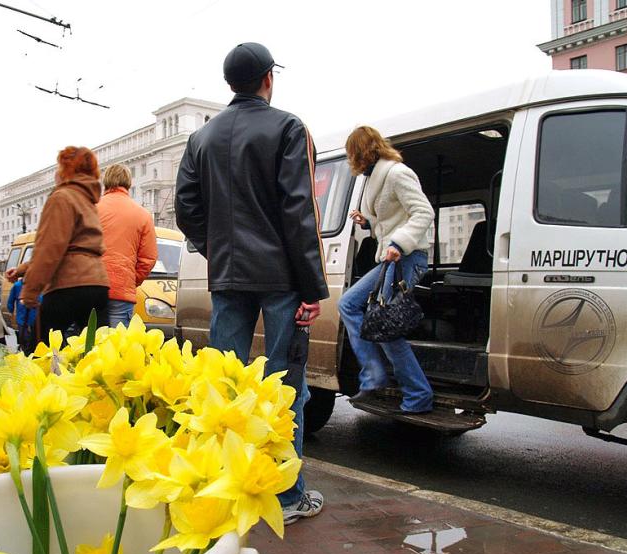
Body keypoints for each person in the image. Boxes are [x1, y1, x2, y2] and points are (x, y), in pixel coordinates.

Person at [175, 42, 329, 525]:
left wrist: (218, 247)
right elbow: (298, 211)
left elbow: (186, 209)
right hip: (282, 277)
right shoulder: (287, 127)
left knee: (223, 389)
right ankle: (286, 495)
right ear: (268, 78)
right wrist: (312, 288)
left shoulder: (201, 139)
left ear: (229, 85)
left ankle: (225, 486)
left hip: (228, 278)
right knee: (284, 387)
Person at [339, 126, 435, 414]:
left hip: (407, 257)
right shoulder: (374, 179)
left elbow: (424, 212)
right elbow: (389, 218)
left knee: (387, 328)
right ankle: (374, 374)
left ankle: (416, 394)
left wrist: (399, 242)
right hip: (390, 259)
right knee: (350, 305)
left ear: (360, 152)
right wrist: (366, 222)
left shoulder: (396, 173)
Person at [16, 146, 110, 342]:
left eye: (59, 167)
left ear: (66, 170)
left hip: (69, 284)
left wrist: (30, 291)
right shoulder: (88, 201)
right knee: (97, 351)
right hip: (97, 283)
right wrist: (24, 269)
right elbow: (76, 247)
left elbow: (49, 248)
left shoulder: (62, 197)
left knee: (43, 348)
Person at [97, 163, 157, 327]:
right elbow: (148, 259)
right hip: (122, 291)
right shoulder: (143, 215)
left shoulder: (91, 209)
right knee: (118, 347)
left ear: (105, 181)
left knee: (89, 345)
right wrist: (131, 280)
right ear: (129, 183)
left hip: (92, 287)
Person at [6, 277, 39, 354]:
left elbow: (41, 298)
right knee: (24, 337)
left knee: (33, 338)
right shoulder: (17, 286)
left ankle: (30, 352)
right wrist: (10, 310)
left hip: (34, 316)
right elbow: (11, 300)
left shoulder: (36, 284)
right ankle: (25, 352)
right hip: (22, 316)